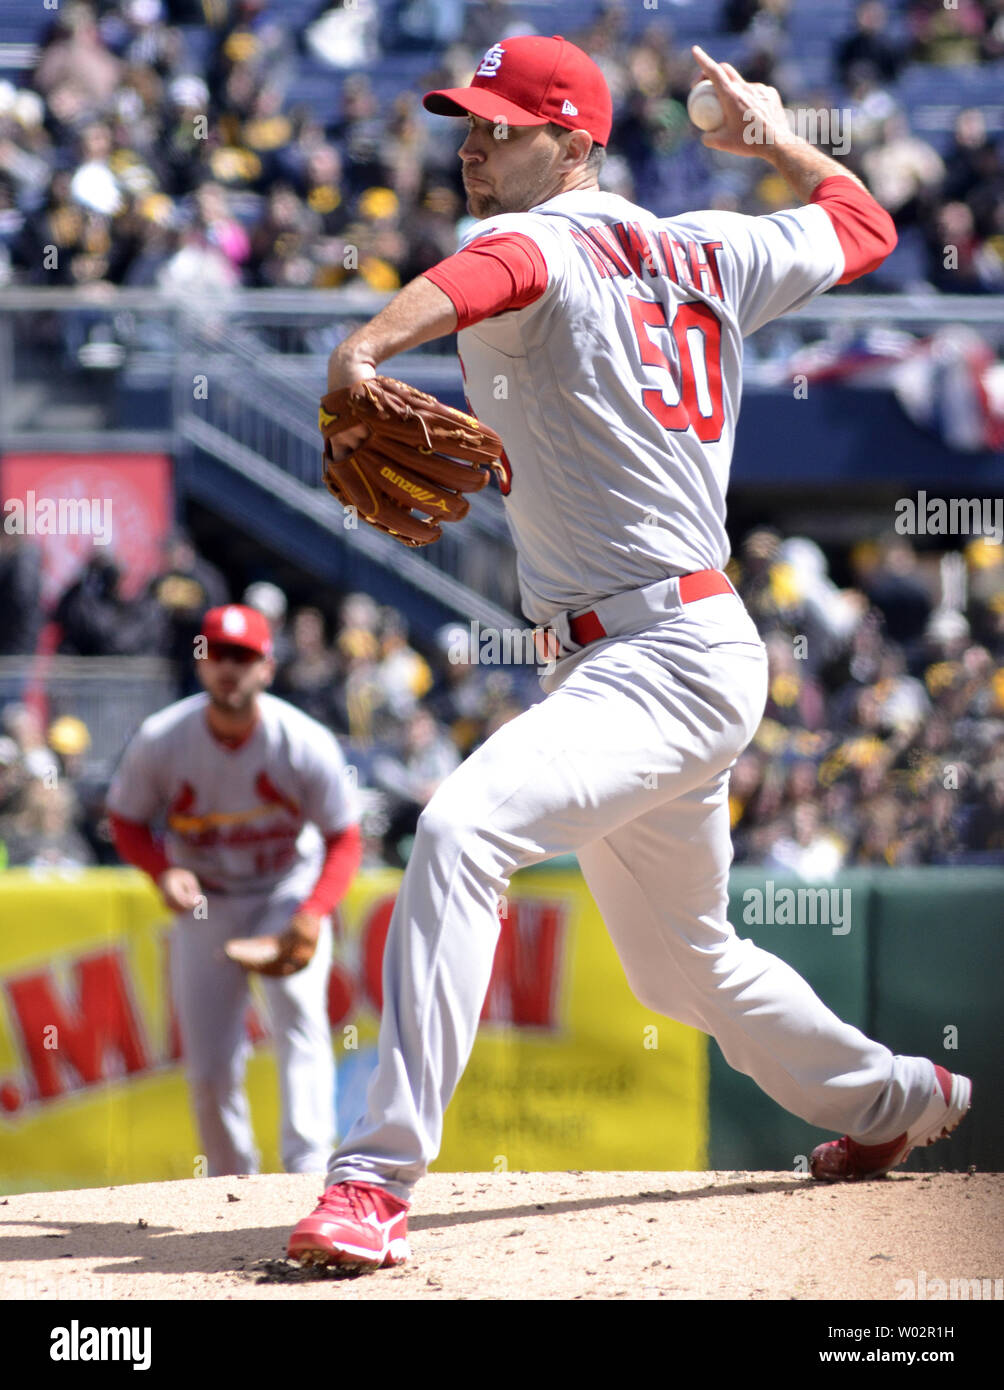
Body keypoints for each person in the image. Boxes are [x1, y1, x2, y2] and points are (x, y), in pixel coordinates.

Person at [288, 37, 972, 1269]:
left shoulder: (546, 236)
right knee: (679, 966)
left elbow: (486, 271)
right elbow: (861, 221)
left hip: (654, 654)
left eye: (502, 123)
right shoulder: (714, 242)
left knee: (458, 830)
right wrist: (767, 137)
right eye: (469, 120)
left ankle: (372, 1179)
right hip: (670, 650)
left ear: (578, 145)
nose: (474, 140)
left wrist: (361, 352)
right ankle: (897, 1100)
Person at [106, 604, 362, 1175]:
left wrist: (315, 912)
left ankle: (308, 1173)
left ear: (267, 668)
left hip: (284, 890)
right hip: (207, 904)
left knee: (300, 1019)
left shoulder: (302, 741)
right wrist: (159, 870)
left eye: (244, 657)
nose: (229, 668)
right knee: (210, 1063)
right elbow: (124, 820)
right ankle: (228, 1189)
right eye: (218, 653)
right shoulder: (164, 739)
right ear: (201, 663)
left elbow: (345, 839)